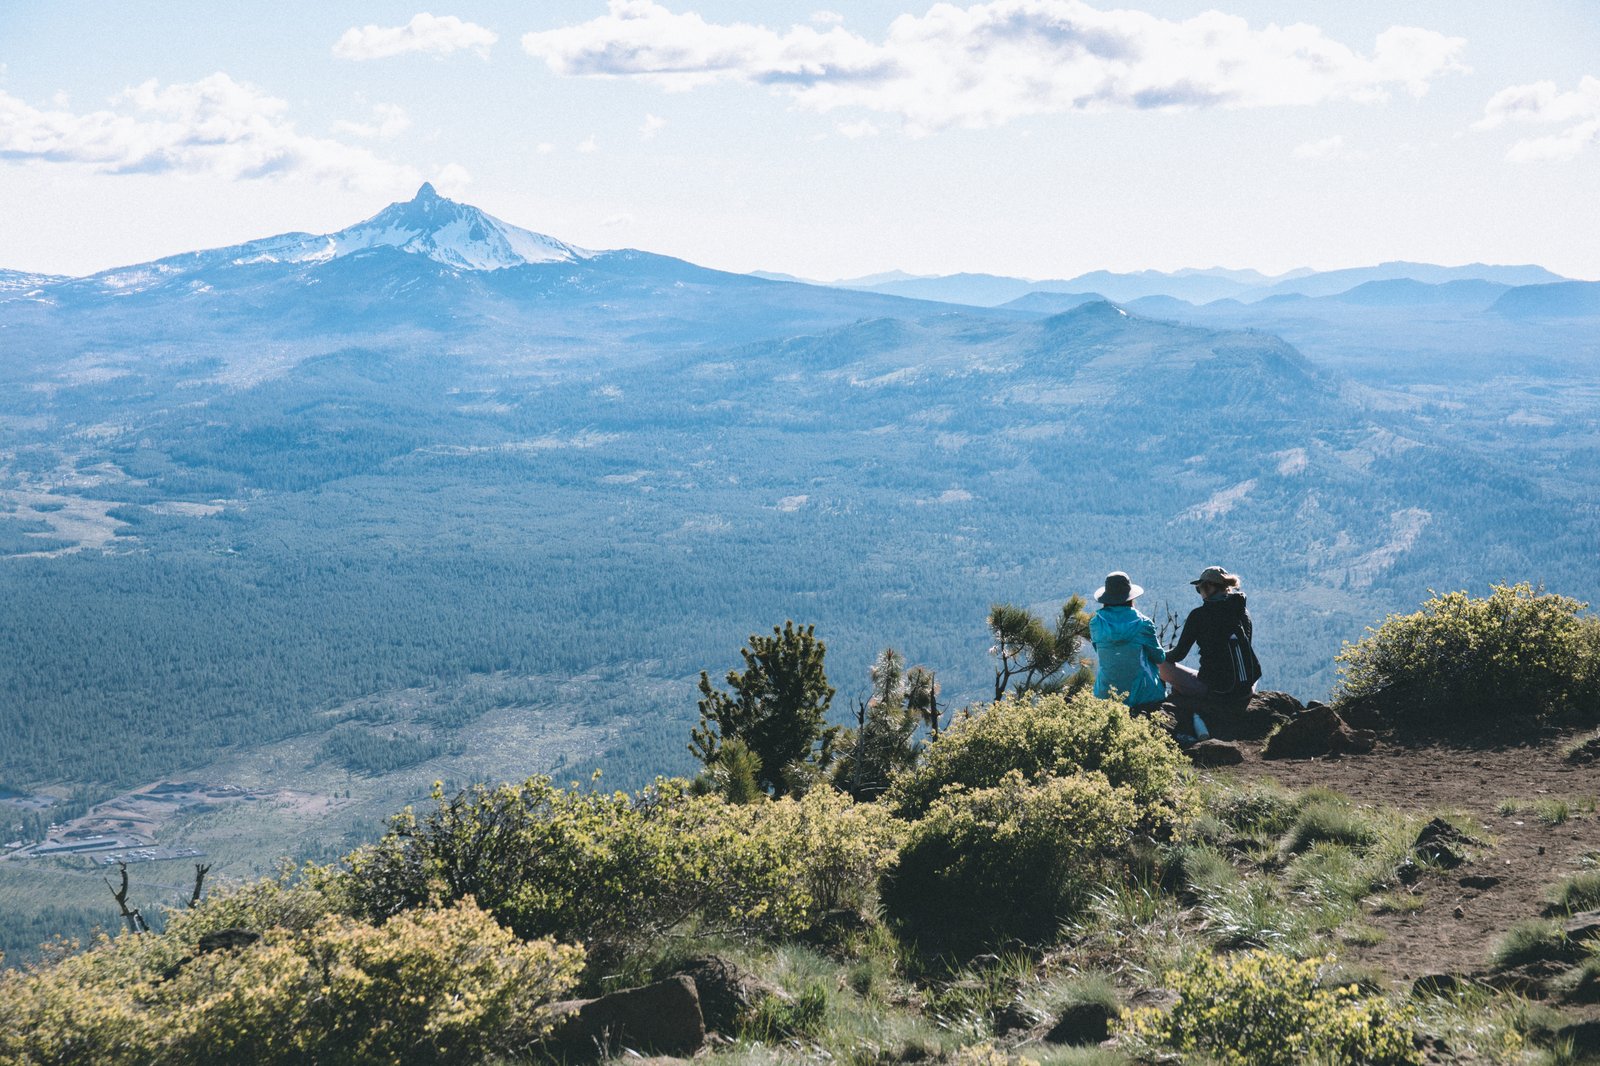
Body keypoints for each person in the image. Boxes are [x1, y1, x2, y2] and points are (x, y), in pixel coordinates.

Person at [1161, 566, 1261, 699]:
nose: (1199, 592)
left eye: (1199, 588)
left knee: (1158, 663)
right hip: (1246, 689)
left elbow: (1178, 655)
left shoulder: (1199, 615)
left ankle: (1159, 704)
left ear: (1208, 587)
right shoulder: (1242, 612)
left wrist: (1158, 652)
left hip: (1216, 690)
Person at [1089, 571, 1166, 710]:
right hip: (1143, 695)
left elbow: (1100, 652)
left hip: (1104, 694)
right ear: (1130, 597)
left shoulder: (1095, 623)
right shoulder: (1143, 623)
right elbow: (1159, 657)